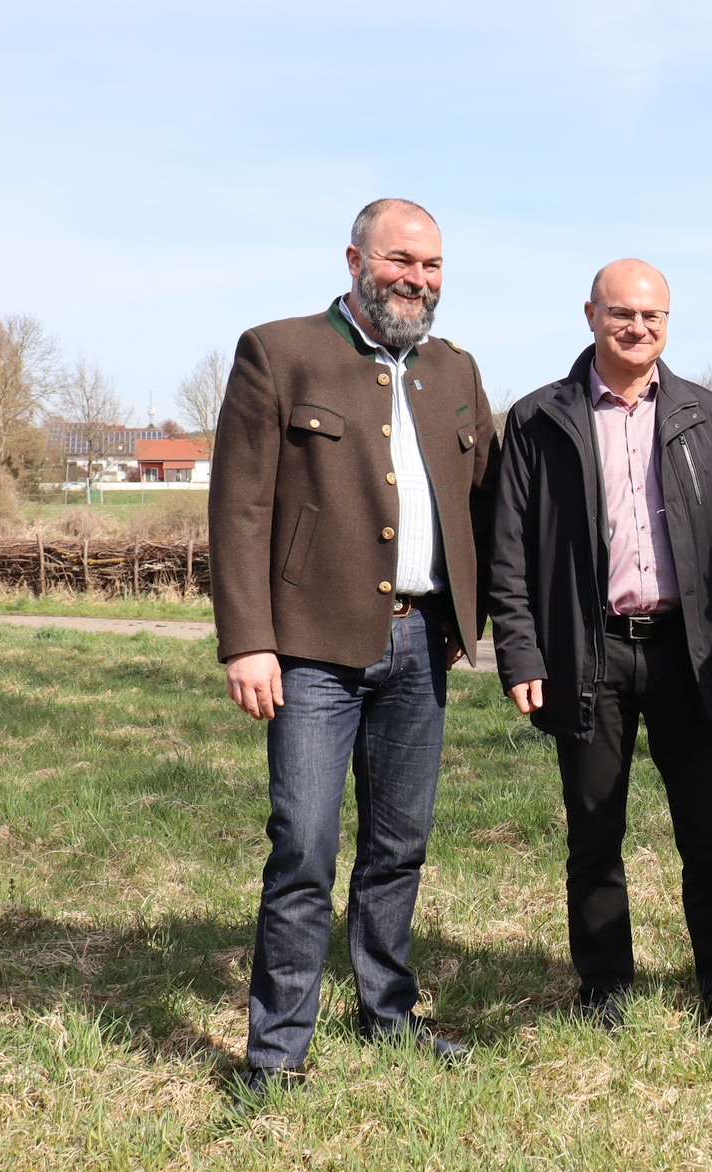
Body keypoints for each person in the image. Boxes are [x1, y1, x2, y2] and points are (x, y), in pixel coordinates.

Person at [209, 198, 496, 1097]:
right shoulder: (280, 351)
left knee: (399, 845)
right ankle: (278, 1053)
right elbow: (239, 506)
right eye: (401, 259)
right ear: (355, 259)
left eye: (433, 265)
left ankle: (388, 1013)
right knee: (303, 846)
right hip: (309, 651)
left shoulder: (455, 369)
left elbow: (483, 504)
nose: (417, 277)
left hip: (421, 647)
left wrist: (463, 618)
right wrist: (247, 641)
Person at [488, 259, 712, 1038]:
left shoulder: (701, 413)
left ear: (668, 323)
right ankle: (605, 988)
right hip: (589, 651)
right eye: (622, 313)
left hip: (688, 651)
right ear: (590, 315)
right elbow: (508, 549)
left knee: (710, 835)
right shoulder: (538, 418)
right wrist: (521, 654)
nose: (638, 327)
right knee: (594, 833)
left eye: (653, 316)